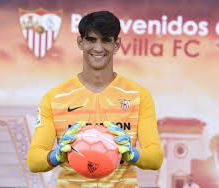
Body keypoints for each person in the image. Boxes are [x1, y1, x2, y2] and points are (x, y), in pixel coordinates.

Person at [27, 10, 163, 188]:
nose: (98, 48)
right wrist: (56, 156)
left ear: (116, 44)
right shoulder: (54, 98)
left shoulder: (138, 95)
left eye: (106, 40)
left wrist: (133, 154)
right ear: (80, 42)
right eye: (91, 39)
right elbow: (33, 160)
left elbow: (155, 157)